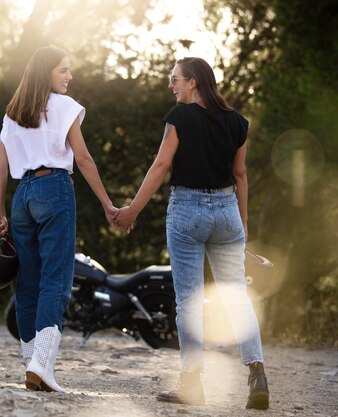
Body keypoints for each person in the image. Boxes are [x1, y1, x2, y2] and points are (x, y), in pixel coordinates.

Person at [113, 57, 269, 410]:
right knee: (237, 297)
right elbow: (240, 175)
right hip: (228, 212)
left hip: (187, 211)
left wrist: (131, 211)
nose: (171, 86)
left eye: (175, 80)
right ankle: (257, 374)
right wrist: (242, 227)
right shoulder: (237, 122)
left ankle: (192, 383)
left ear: (193, 82)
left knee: (189, 300)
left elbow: (162, 165)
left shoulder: (179, 117)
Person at [0, 45, 116, 393]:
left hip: (23, 196)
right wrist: (107, 203)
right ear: (47, 72)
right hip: (55, 188)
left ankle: (32, 363)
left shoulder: (12, 112)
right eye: (63, 70)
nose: (69, 76)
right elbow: (85, 159)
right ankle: (42, 365)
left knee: (28, 281)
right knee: (56, 279)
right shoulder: (64, 107)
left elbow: (0, 164)